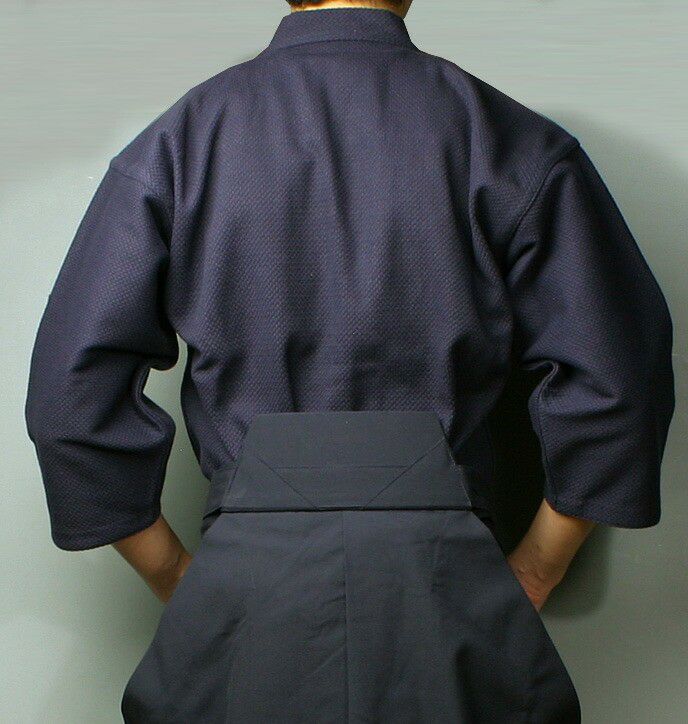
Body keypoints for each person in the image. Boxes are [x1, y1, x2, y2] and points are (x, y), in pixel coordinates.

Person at [24, 0, 674, 721]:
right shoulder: (512, 139)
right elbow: (620, 377)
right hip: (450, 580)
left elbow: (69, 400)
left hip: (248, 581)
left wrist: (180, 580)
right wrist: (535, 571)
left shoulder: (178, 144)